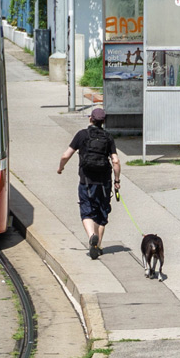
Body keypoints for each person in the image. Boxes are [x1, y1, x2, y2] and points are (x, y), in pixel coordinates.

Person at [57, 106, 121, 259]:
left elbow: (66, 155)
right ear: (103, 122)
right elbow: (116, 161)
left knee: (87, 210)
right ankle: (97, 246)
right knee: (101, 213)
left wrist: (60, 168)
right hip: (104, 182)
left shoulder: (82, 135)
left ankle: (92, 235)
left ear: (91, 119)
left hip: (86, 181)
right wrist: (117, 181)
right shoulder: (108, 137)